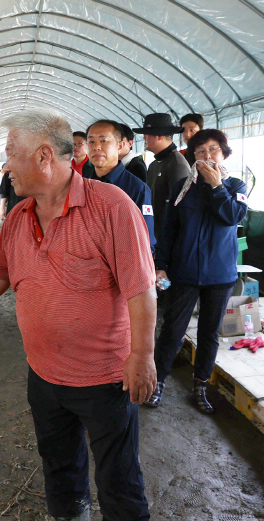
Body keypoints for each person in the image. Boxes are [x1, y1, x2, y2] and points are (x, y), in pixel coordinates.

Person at [0, 108, 156, 521]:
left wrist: (141, 356)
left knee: (119, 478)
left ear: (45, 156)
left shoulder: (112, 207)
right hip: (44, 375)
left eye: (12, 153)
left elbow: (140, 287)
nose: (5, 165)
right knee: (59, 464)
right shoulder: (19, 215)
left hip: (104, 379)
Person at [145, 129, 248, 413]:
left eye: (213, 150)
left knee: (209, 333)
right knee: (172, 330)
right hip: (184, 273)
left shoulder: (236, 186)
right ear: (192, 157)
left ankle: (200, 384)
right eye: (200, 152)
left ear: (224, 153)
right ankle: (157, 381)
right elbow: (168, 229)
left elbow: (232, 217)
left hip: (220, 275)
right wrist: (161, 266)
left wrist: (216, 186)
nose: (206, 156)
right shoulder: (183, 186)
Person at [87, 120, 156, 254]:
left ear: (120, 146)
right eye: (91, 142)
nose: (96, 147)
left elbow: (145, 239)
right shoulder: (84, 184)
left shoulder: (136, 188)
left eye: (103, 141)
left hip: (121, 264)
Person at [133, 113, 190, 243]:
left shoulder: (177, 165)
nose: (144, 138)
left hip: (168, 241)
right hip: (154, 236)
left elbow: (180, 210)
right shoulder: (154, 165)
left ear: (159, 136)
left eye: (147, 134)